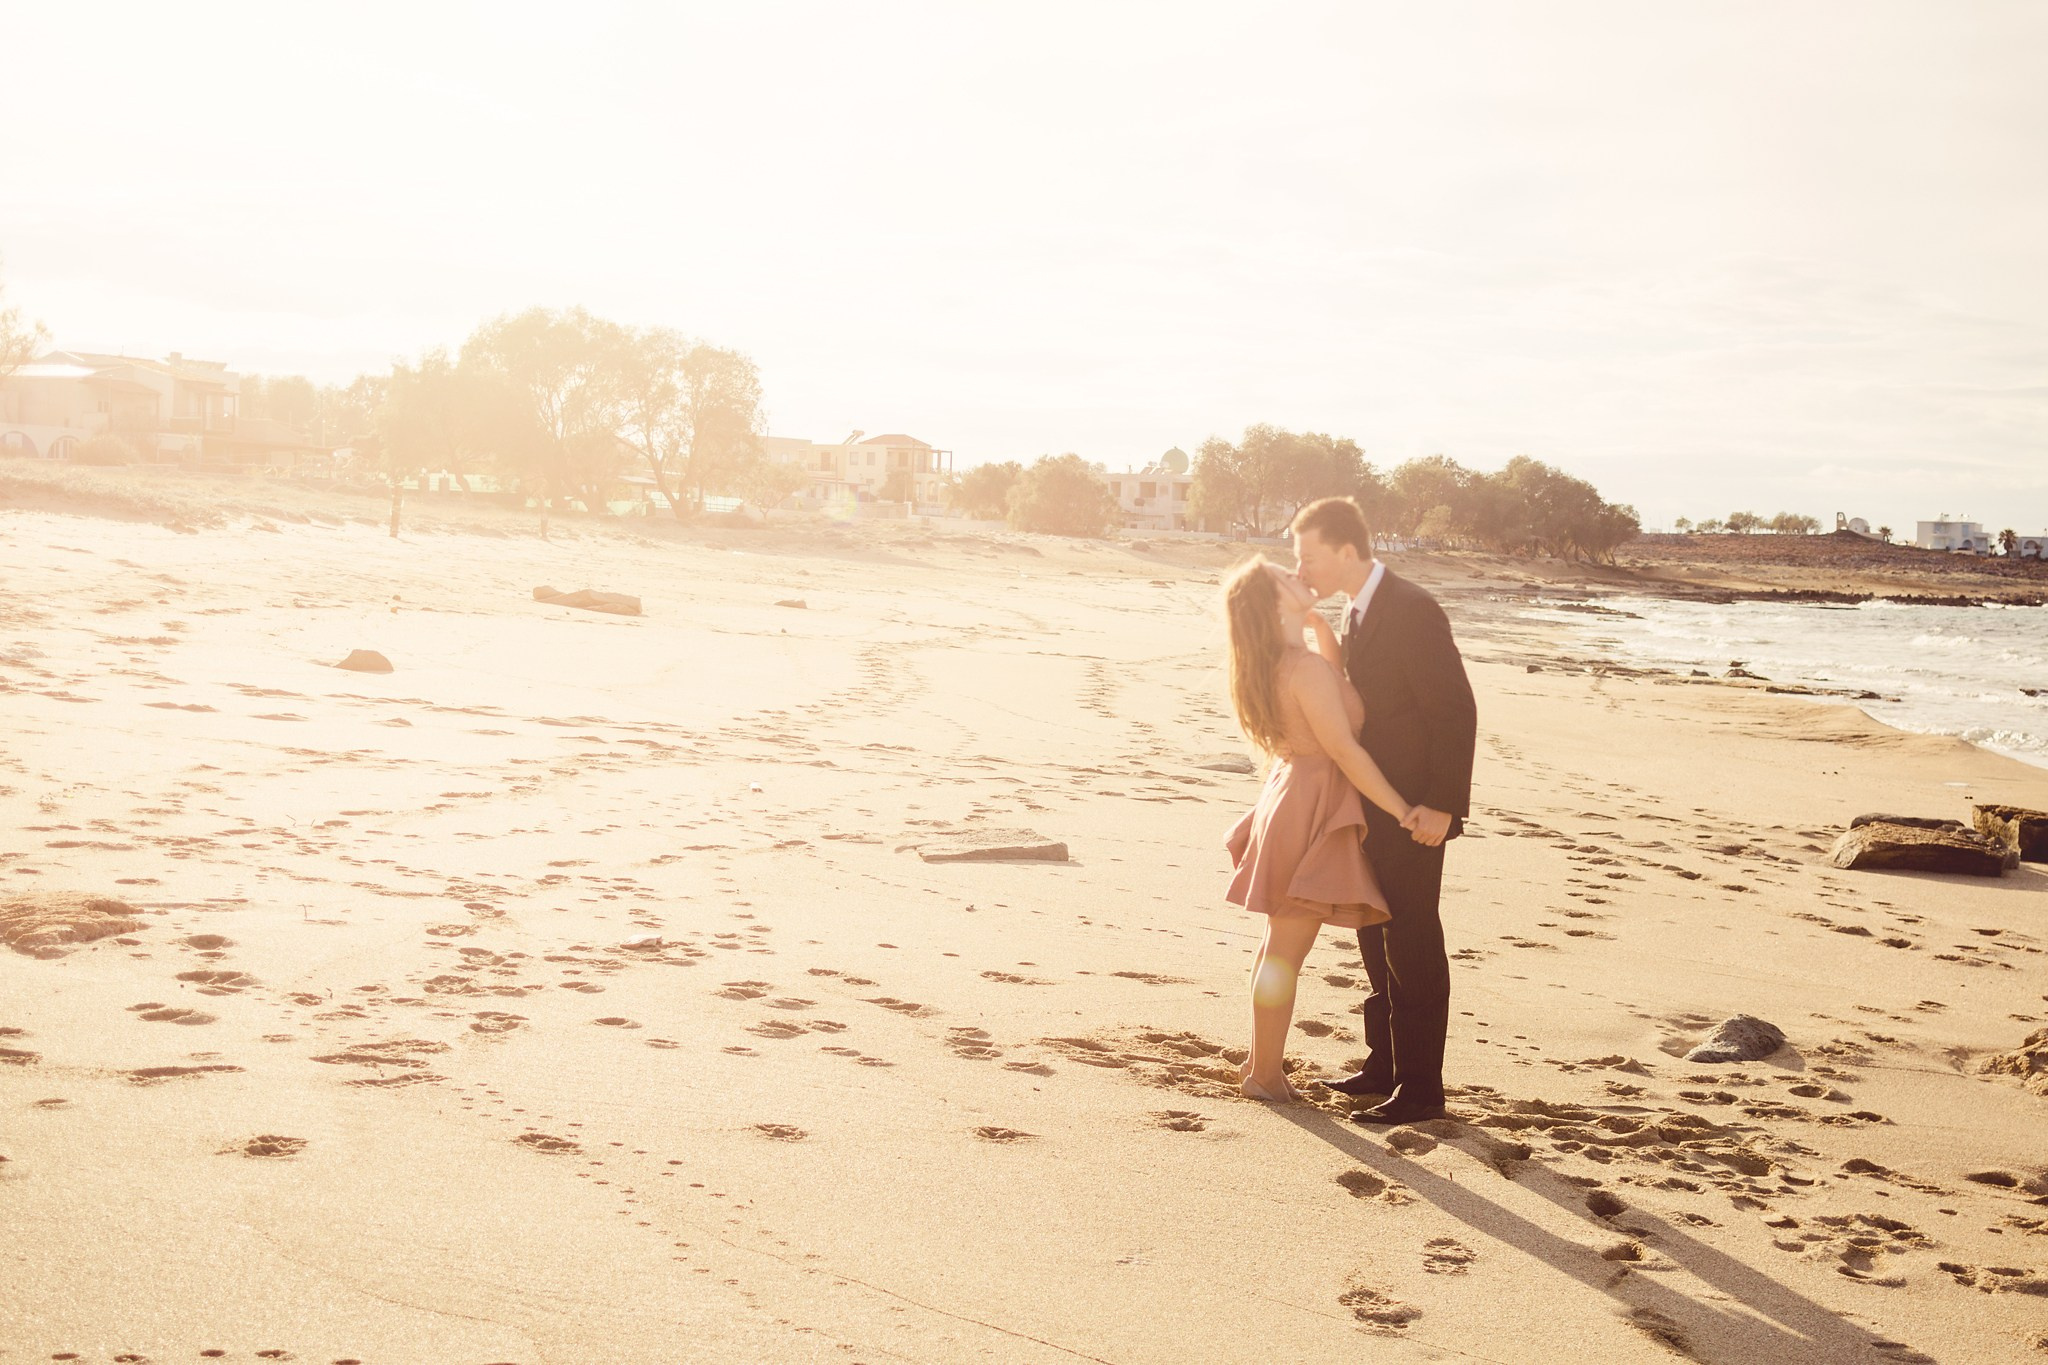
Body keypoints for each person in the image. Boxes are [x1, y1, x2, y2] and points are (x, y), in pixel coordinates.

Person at [1290, 496, 1477, 1125]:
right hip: (1375, 802)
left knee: (1413, 938)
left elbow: (1455, 711)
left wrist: (1444, 807)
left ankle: (1423, 1089)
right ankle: (1385, 1064)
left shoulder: (1412, 609)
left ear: (1347, 550)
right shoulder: (1358, 610)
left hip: (1415, 809)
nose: (1301, 567)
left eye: (1308, 556)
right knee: (1376, 929)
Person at [1221, 557, 1414, 1102]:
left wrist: (1321, 625)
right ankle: (1263, 1077)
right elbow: (1345, 749)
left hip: (1292, 796)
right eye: (1286, 576)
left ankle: (1264, 1066)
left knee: (1276, 946)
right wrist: (1401, 809)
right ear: (1272, 601)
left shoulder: (1284, 661)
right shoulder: (1299, 668)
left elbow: (1332, 682)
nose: (1298, 573)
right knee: (1284, 950)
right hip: (1308, 806)